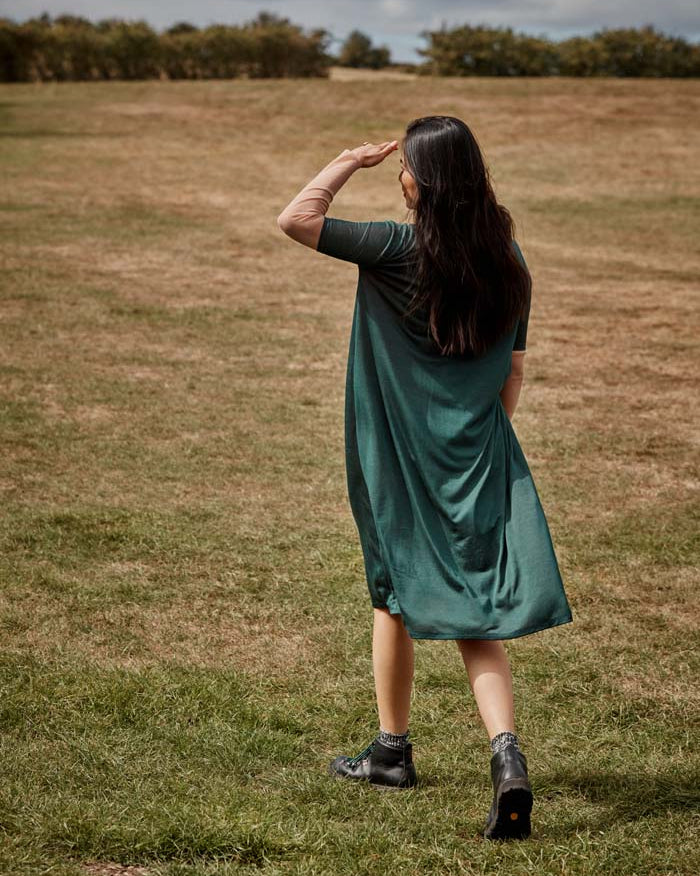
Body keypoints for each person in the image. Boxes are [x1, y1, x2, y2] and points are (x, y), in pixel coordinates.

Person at [277, 115, 573, 841]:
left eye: (407, 164)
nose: (400, 173)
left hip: (399, 456)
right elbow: (513, 369)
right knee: (477, 612)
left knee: (392, 593)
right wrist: (482, 437)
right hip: (477, 453)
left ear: (425, 181)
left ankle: (391, 752)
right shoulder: (508, 258)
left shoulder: (395, 246)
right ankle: (507, 758)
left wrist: (348, 158)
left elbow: (296, 218)